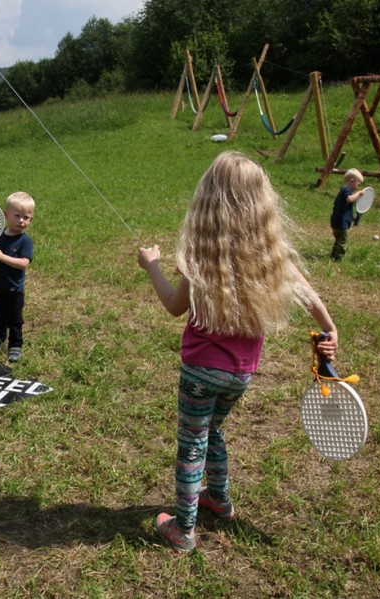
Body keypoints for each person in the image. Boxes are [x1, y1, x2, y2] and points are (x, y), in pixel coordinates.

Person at [136, 151, 339, 553]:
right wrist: (330, 329)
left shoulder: (201, 255)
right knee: (213, 430)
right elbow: (310, 298)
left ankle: (183, 529)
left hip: (200, 372)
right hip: (241, 374)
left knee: (192, 442)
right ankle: (219, 499)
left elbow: (174, 306)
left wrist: (152, 266)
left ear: (208, 201)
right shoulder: (270, 254)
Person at [0, 192, 35, 363]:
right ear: (6, 215)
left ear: (31, 219)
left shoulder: (25, 241)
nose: (21, 221)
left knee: (15, 319)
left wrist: (2, 256)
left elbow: (23, 263)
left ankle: (15, 345)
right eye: (17, 216)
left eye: (26, 217)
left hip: (14, 289)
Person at [329, 168, 366, 261]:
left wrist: (352, 218)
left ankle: (334, 255)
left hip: (336, 220)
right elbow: (350, 199)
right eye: (358, 184)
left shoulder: (343, 190)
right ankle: (339, 257)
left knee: (339, 240)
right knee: (342, 241)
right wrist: (359, 193)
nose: (358, 187)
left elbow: (343, 209)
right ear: (352, 181)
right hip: (341, 223)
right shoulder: (346, 190)